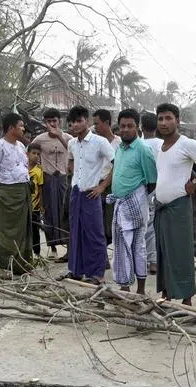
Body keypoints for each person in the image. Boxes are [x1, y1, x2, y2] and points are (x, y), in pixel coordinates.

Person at [153, 102, 196, 304]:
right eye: (160, 119)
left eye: (168, 118)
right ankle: (167, 293)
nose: (164, 123)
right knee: (164, 251)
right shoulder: (161, 147)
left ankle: (187, 299)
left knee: (182, 252)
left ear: (177, 121)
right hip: (162, 208)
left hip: (179, 207)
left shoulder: (186, 144)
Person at [107, 108, 158, 293]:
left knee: (137, 246)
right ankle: (124, 287)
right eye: (122, 126)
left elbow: (152, 181)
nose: (126, 130)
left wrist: (137, 198)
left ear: (138, 127)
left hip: (135, 205)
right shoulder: (119, 148)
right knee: (121, 248)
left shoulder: (144, 150)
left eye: (130, 126)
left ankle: (141, 290)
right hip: (120, 205)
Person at [66, 105, 116, 283]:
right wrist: (76, 176)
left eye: (79, 121)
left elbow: (116, 164)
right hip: (76, 193)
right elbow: (71, 162)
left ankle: (97, 274)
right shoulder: (71, 143)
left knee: (95, 234)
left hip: (92, 194)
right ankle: (76, 270)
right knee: (75, 231)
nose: (76, 125)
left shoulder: (99, 142)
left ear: (86, 121)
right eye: (72, 122)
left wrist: (102, 187)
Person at [0, 113, 34, 276]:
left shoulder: (21, 146)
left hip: (22, 192)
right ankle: (4, 265)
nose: (23, 128)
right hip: (6, 193)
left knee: (22, 230)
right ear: (11, 128)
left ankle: (22, 264)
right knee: (5, 230)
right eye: (20, 125)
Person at [30, 108, 73, 258]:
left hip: (63, 178)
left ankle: (68, 248)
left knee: (65, 212)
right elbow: (30, 152)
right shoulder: (39, 139)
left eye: (54, 121)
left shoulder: (67, 137)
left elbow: (74, 151)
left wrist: (59, 136)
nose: (52, 124)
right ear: (44, 123)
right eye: (49, 121)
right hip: (47, 178)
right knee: (48, 213)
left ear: (59, 121)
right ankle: (53, 248)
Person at [94, 108, 122, 245]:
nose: (95, 127)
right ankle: (102, 257)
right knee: (97, 223)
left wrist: (104, 185)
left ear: (106, 123)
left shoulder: (120, 143)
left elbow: (117, 166)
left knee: (111, 222)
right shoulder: (94, 142)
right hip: (95, 185)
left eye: (97, 123)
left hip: (112, 186)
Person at [141, 112, 162, 275]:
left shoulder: (138, 144)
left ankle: (147, 259)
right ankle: (153, 260)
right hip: (159, 188)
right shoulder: (163, 144)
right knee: (154, 227)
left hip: (141, 188)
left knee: (142, 226)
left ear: (141, 126)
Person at [28, 143, 45, 257]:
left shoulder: (39, 171)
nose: (36, 156)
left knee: (35, 230)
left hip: (35, 206)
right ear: (27, 154)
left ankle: (37, 253)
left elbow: (40, 188)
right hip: (22, 205)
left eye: (38, 154)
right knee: (24, 230)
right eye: (33, 153)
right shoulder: (21, 167)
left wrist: (42, 205)